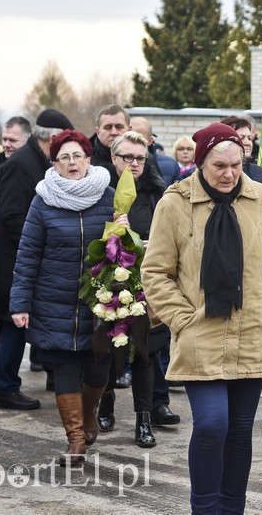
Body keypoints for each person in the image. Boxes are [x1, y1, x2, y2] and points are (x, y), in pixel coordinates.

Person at [141, 122, 262, 513]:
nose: (229, 173)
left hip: (255, 333)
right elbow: (155, 273)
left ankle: (233, 509)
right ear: (200, 164)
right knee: (212, 425)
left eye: (236, 164)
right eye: (219, 166)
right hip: (201, 335)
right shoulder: (174, 203)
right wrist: (183, 319)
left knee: (240, 431)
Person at [9, 129, 116, 465]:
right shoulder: (43, 200)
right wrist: (20, 303)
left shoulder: (109, 196)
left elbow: (130, 246)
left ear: (88, 159)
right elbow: (27, 254)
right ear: (54, 164)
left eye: (77, 156)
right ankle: (75, 441)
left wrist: (123, 229)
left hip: (99, 301)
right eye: (64, 158)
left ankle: (89, 415)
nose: (72, 163)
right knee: (65, 367)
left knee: (99, 369)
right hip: (53, 300)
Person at [0, 109, 74, 410]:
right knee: (13, 324)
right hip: (12, 264)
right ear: (51, 138)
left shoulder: (37, 161)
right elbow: (9, 217)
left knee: (16, 324)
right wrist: (44, 240)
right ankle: (5, 387)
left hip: (23, 262)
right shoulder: (21, 164)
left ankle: (8, 383)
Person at [96, 131, 171, 447]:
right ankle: (107, 398)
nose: (135, 163)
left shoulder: (158, 192)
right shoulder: (101, 192)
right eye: (128, 157)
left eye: (140, 157)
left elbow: (173, 236)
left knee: (145, 354)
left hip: (147, 283)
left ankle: (143, 420)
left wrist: (153, 247)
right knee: (110, 351)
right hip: (108, 282)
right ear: (114, 158)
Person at [220, 116, 262, 188]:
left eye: (249, 138)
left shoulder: (261, 173)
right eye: (241, 138)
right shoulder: (216, 173)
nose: (247, 142)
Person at [130, 116, 181, 186]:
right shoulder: (117, 161)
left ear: (150, 141)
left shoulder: (170, 164)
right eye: (128, 137)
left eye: (138, 139)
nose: (131, 142)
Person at [90, 104, 131, 177]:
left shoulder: (142, 159)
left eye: (119, 127)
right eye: (107, 127)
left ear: (129, 130)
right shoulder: (85, 159)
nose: (114, 133)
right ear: (98, 132)